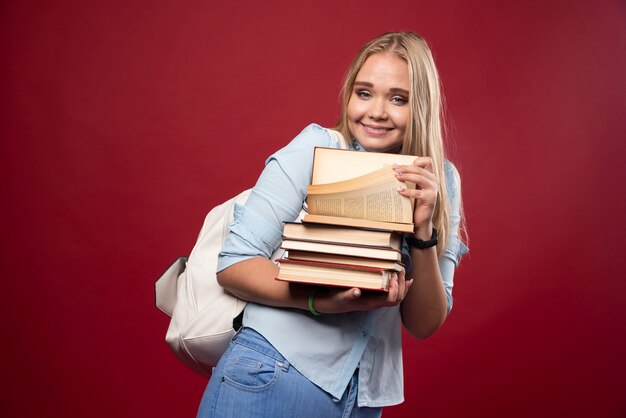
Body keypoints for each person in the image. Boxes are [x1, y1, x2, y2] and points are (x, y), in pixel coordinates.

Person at [197, 31, 468, 418]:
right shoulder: (315, 146)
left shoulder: (441, 181)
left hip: (362, 399)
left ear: (421, 106)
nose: (376, 111)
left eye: (398, 99)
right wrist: (321, 302)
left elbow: (424, 324)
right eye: (364, 93)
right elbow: (234, 264)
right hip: (274, 371)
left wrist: (423, 232)